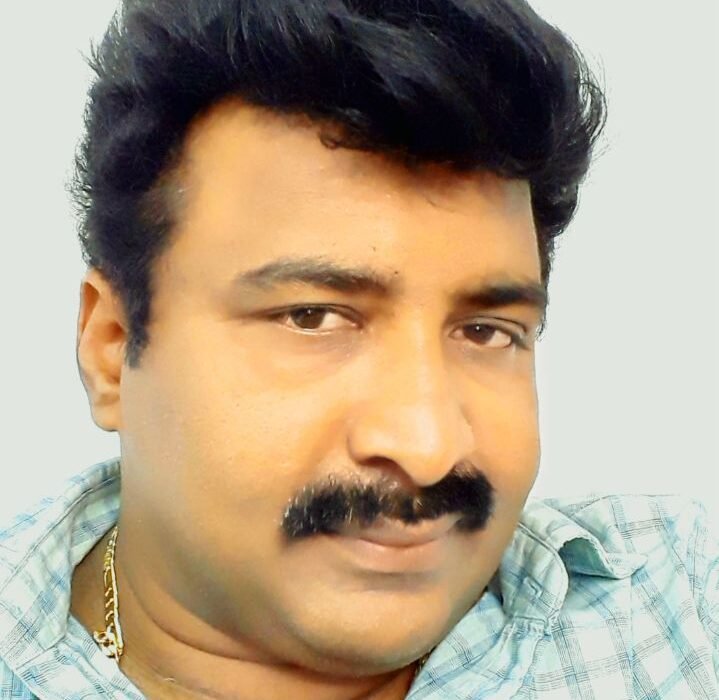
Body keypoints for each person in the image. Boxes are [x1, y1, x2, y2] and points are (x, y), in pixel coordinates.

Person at [0, 0, 716, 698]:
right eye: (312, 317)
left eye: (485, 331)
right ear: (111, 349)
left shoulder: (685, 604)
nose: (426, 446)